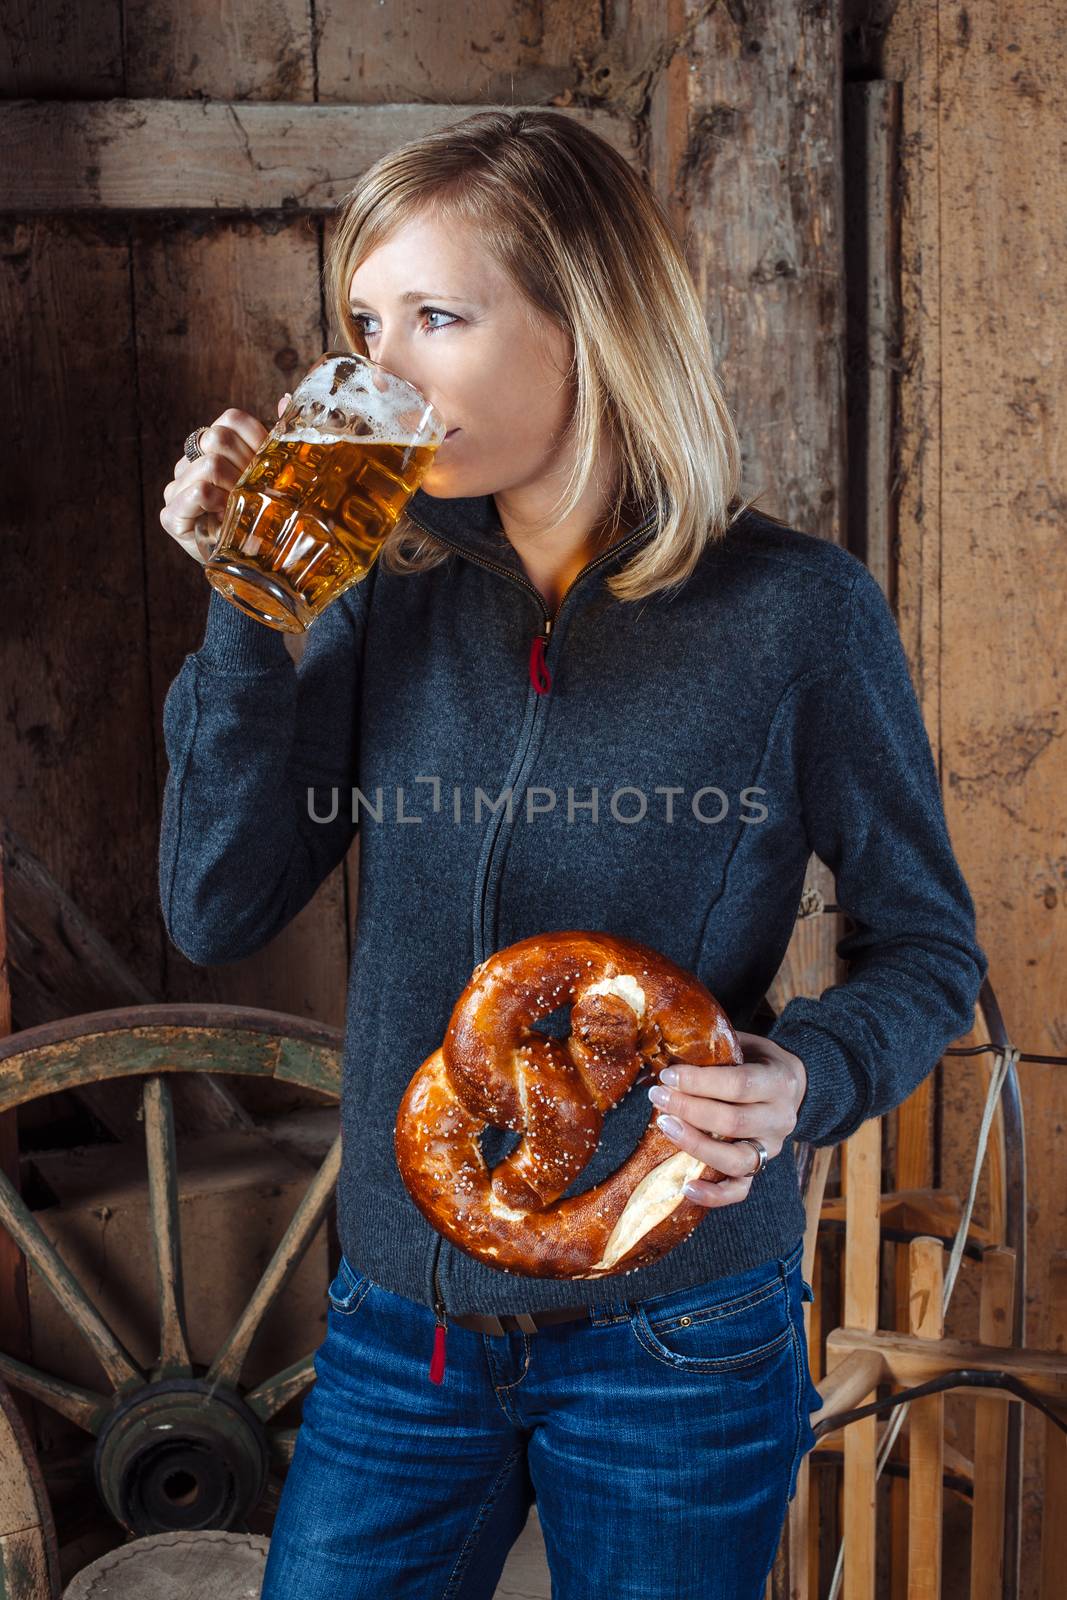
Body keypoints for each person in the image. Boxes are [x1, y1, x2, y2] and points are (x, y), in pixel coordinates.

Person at [157, 110, 988, 1599]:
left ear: (589, 325)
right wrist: (247, 606)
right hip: (396, 1329)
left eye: (438, 317)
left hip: (679, 1337)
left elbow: (927, 952)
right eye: (365, 320)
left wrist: (808, 1078)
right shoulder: (373, 589)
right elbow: (214, 907)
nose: (377, 372)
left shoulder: (798, 617)